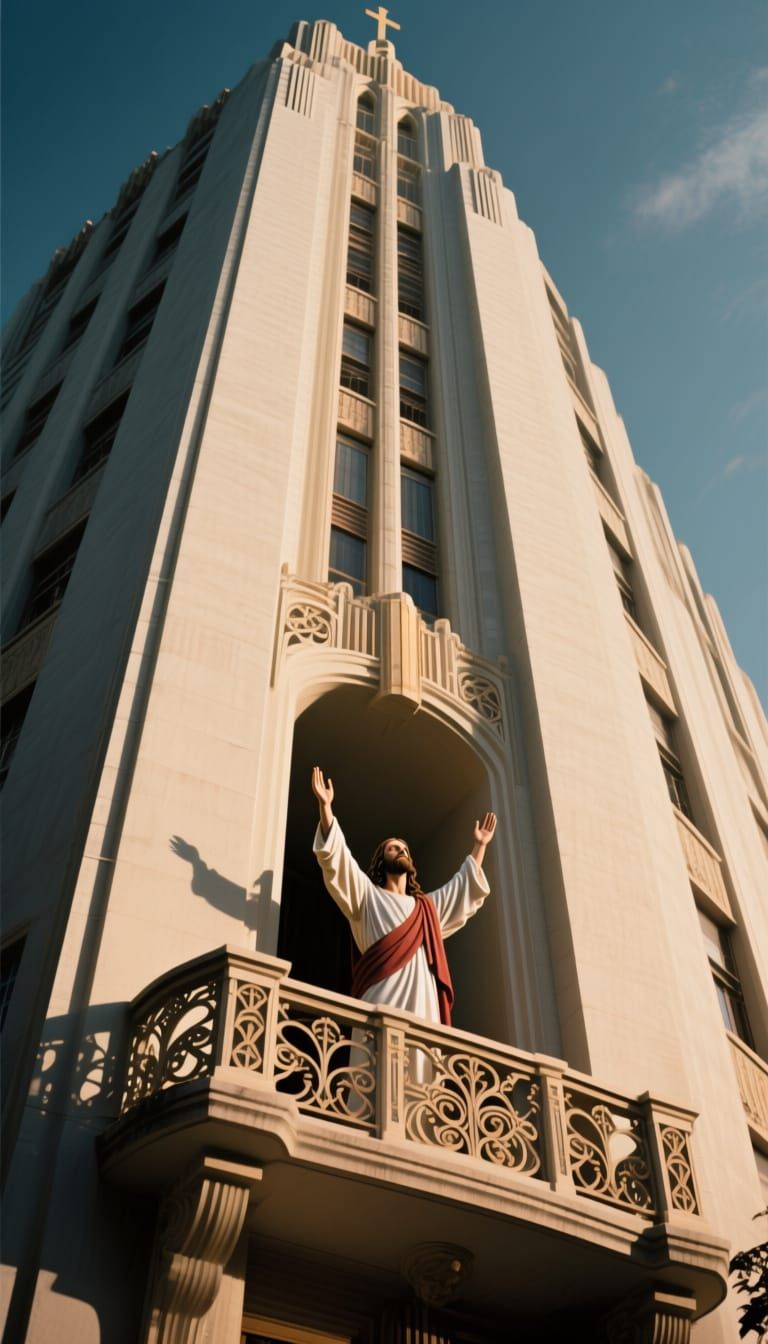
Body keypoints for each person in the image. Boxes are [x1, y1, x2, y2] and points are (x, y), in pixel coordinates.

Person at [311, 766, 496, 1026]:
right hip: (380, 1005)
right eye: (393, 848)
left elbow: (461, 887)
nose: (401, 851)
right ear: (381, 860)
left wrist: (479, 845)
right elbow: (338, 860)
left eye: (405, 849)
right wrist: (326, 808)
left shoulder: (426, 910)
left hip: (423, 1011)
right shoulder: (367, 896)